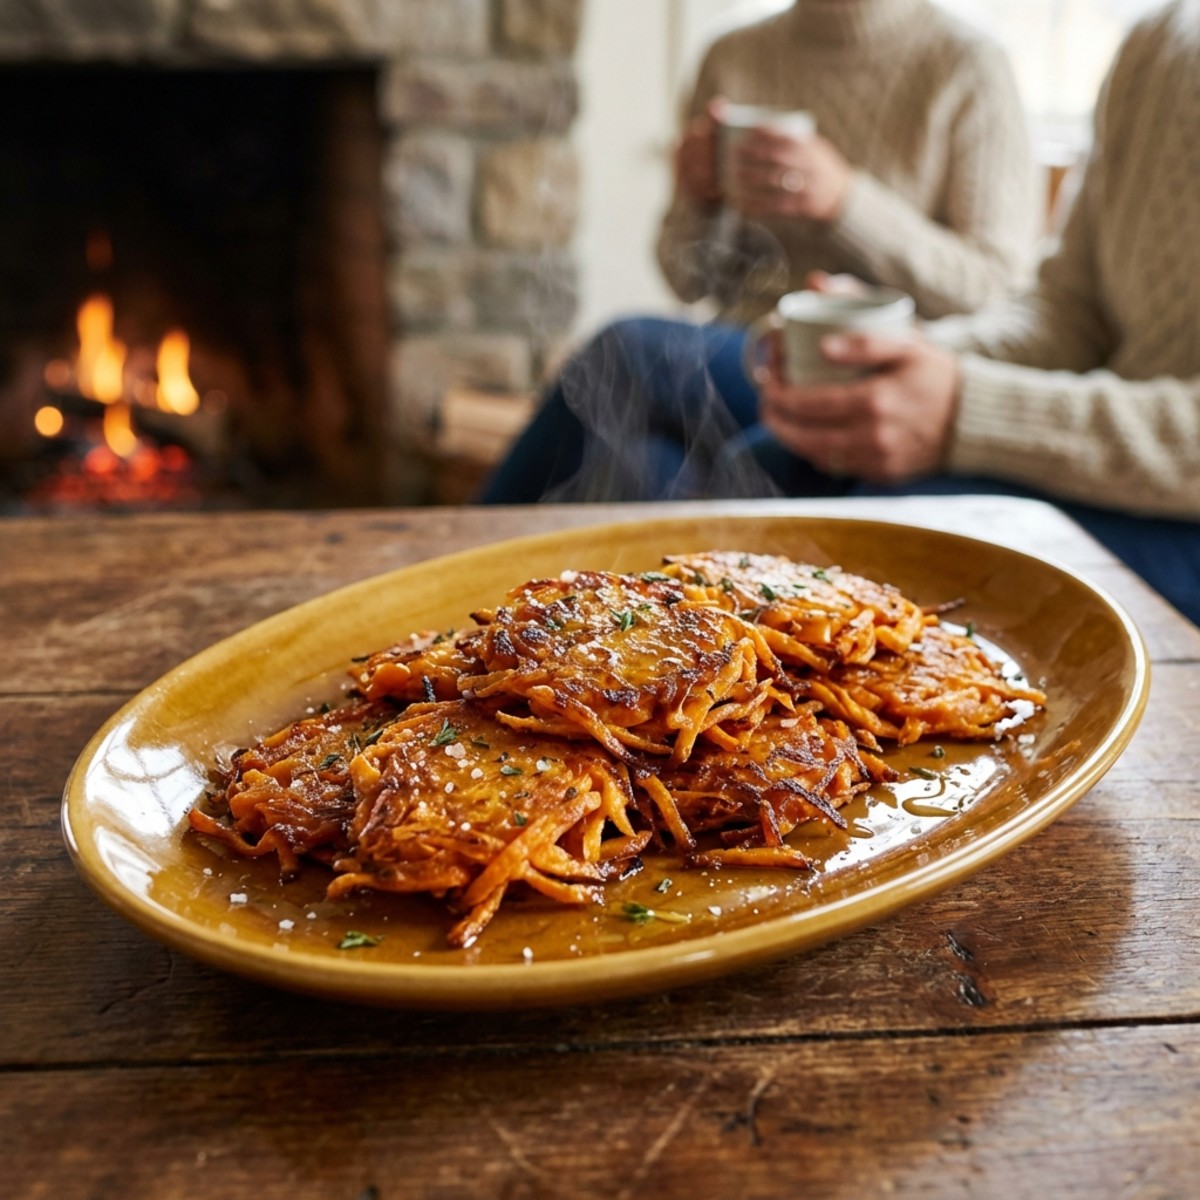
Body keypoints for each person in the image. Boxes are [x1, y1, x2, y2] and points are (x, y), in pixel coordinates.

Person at [480, 0, 1036, 504]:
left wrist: (845, 201)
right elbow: (687, 279)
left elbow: (995, 289)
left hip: (872, 375)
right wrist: (699, 201)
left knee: (627, 350)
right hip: (744, 358)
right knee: (644, 471)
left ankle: (453, 555)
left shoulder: (969, 65)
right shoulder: (733, 55)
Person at [752, 0, 1200, 623]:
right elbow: (1066, 313)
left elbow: (988, 276)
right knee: (766, 461)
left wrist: (965, 409)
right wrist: (902, 356)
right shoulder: (1158, 39)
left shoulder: (967, 60)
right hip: (1098, 453)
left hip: (1176, 509)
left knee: (873, 524)